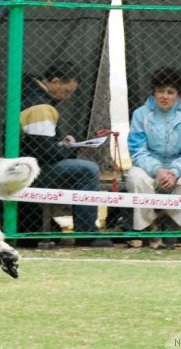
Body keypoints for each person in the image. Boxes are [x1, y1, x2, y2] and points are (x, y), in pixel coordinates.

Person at [19, 62, 112, 247]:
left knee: (82, 166)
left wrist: (61, 144)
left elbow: (39, 144)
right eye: (67, 91)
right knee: (88, 170)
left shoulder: (30, 96)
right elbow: (45, 152)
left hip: (27, 164)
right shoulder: (41, 107)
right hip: (31, 170)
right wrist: (70, 149)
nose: (68, 97)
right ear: (55, 81)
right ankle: (87, 233)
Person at [127, 67, 181, 249]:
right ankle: (152, 228)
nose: (165, 96)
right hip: (150, 167)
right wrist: (158, 170)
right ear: (153, 92)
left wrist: (174, 171)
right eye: (160, 91)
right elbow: (137, 150)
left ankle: (169, 224)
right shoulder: (141, 114)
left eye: (170, 92)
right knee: (135, 177)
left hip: (178, 167)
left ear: (177, 95)